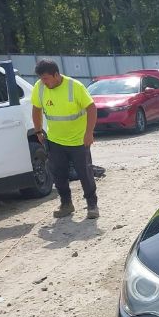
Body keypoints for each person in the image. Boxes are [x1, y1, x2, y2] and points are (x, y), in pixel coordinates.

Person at [31, 59, 100, 219]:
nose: (43, 82)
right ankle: (66, 204)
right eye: (41, 79)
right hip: (55, 141)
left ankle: (92, 205)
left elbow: (91, 108)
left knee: (85, 173)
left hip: (78, 140)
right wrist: (38, 131)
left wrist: (89, 133)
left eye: (46, 78)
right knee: (58, 174)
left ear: (56, 75)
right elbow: (36, 109)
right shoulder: (40, 87)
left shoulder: (74, 86)